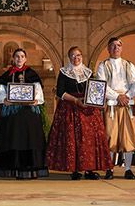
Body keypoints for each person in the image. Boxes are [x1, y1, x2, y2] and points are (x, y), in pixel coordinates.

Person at [46, 46, 112, 180]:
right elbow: (60, 92)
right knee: (73, 139)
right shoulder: (64, 72)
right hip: (70, 108)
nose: (76, 58)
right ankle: (74, 170)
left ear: (82, 57)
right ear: (69, 58)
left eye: (78, 55)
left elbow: (93, 89)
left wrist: (97, 100)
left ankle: (89, 170)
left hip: (88, 109)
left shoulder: (87, 72)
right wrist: (76, 100)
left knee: (89, 141)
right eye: (73, 56)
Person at [0, 47, 48, 179]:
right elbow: (1, 91)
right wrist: (4, 100)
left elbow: (39, 92)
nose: (19, 59)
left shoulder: (33, 74)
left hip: (29, 113)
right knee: (12, 138)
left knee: (30, 139)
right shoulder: (6, 75)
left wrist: (36, 101)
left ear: (26, 59)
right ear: (13, 59)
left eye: (22, 56)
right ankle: (11, 168)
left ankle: (29, 168)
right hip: (12, 114)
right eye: (17, 56)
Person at [96, 38, 135, 180]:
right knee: (111, 135)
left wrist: (126, 96)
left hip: (127, 103)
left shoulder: (129, 65)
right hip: (112, 104)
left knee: (129, 135)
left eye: (118, 45)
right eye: (113, 46)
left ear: (122, 48)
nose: (116, 48)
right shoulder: (103, 65)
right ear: (108, 49)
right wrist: (117, 97)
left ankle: (128, 169)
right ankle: (110, 169)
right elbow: (102, 85)